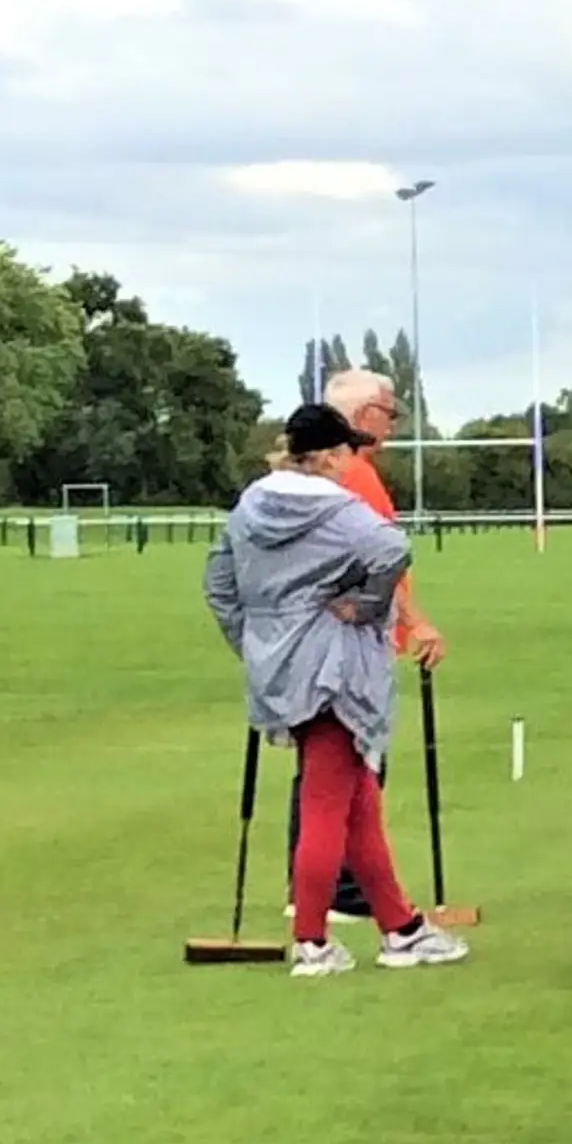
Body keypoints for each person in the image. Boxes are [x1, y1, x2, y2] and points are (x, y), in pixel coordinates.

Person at [202, 403, 469, 977]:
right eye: (347, 449)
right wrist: (367, 607)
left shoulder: (249, 507)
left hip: (280, 666)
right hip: (334, 670)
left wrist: (253, 644)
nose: (353, 459)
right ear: (325, 455)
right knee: (328, 805)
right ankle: (312, 942)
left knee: (358, 804)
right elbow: (391, 549)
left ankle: (402, 927)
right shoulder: (341, 511)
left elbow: (220, 584)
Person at [284, 370, 448, 924]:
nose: (393, 420)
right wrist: (416, 622)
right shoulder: (355, 476)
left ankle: (320, 890)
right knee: (349, 770)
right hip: (347, 644)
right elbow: (383, 559)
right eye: (386, 409)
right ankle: (338, 897)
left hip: (303, 642)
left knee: (326, 767)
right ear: (359, 417)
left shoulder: (297, 487)